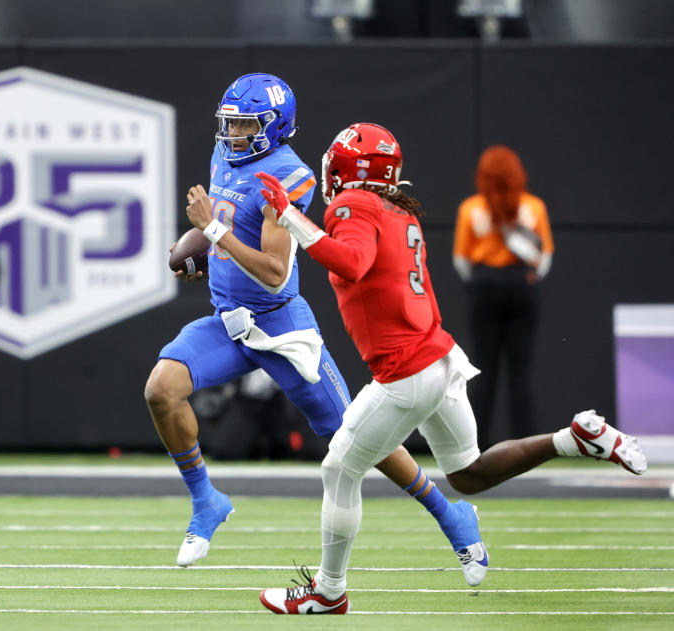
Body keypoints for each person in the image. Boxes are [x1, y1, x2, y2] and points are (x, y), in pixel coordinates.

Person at [256, 123, 647, 614]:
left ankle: (329, 590)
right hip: (440, 357)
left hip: (406, 369)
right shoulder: (399, 210)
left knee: (339, 467)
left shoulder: (351, 205)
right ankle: (573, 439)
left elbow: (353, 263)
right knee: (467, 472)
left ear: (346, 170)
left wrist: (292, 217)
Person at [144, 74, 485, 572]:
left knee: (354, 435)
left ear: (274, 127)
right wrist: (197, 252)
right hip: (229, 322)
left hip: (281, 328)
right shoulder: (225, 157)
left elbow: (274, 274)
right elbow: (224, 227)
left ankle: (450, 514)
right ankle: (206, 501)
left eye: (244, 125)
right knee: (160, 389)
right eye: (230, 123)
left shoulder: (285, 174)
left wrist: (211, 229)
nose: (233, 134)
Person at [453, 146, 554, 449]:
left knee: (483, 369)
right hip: (522, 285)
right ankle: (526, 446)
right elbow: (545, 257)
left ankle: (474, 447)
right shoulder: (533, 207)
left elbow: (461, 261)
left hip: (485, 285)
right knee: (520, 373)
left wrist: (483, 281)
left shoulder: (471, 209)